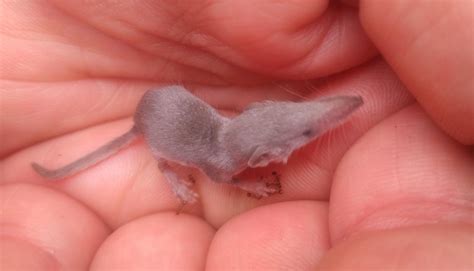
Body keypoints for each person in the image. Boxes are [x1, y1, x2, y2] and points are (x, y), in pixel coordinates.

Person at [1, 0, 472, 269]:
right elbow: (220, 177)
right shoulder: (227, 163)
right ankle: (167, 169)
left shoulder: (242, 131)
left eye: (304, 116)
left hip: (171, 107)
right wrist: (245, 185)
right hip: (162, 129)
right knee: (169, 156)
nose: (334, 116)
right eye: (310, 128)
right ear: (273, 152)